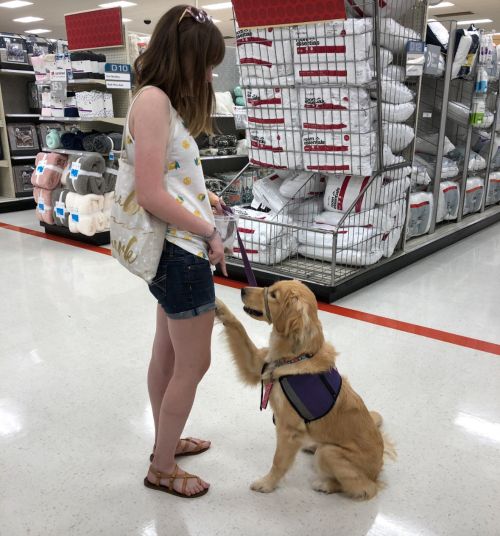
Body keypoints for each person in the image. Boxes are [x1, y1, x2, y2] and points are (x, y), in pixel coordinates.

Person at [126, 5, 227, 498]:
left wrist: (202, 194)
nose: (210, 75)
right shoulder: (153, 102)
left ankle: (165, 443)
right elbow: (149, 194)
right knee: (193, 364)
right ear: (185, 57)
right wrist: (208, 230)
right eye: (207, 64)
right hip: (180, 253)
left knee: (166, 355)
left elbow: (166, 175)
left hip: (175, 248)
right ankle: (162, 467)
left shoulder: (160, 101)